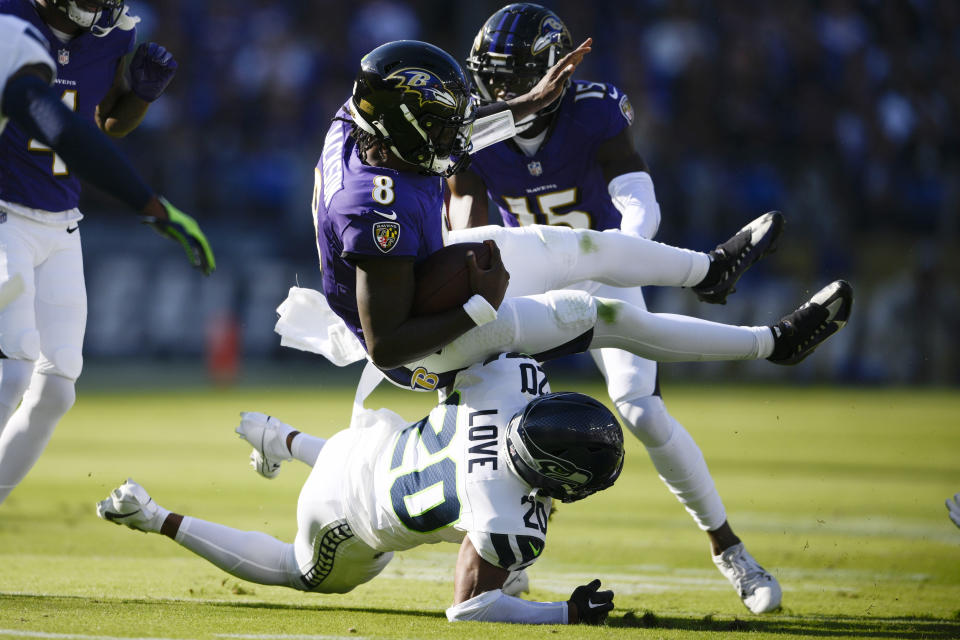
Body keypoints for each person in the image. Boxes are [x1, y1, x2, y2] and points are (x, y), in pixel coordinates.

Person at [446, 3, 779, 613]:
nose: (496, 91)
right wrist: (467, 288)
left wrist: (626, 252)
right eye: (488, 78)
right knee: (491, 402)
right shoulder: (475, 131)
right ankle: (497, 551)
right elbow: (463, 225)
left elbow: (636, 195)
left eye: (510, 76)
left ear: (554, 71)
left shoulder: (592, 109)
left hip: (605, 267)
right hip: (526, 277)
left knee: (640, 409)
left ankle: (728, 548)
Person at [297, 38, 852, 397]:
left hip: (428, 268)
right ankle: (772, 344)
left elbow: (458, 126)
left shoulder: (366, 118)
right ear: (404, 126)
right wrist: (478, 305)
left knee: (582, 244)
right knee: (600, 314)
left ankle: (711, 270)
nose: (456, 136)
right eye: (440, 126)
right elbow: (386, 344)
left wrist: (529, 103)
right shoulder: (372, 210)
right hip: (422, 341)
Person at [98, 353, 623, 625]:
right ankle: (153, 515)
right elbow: (468, 609)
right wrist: (568, 613)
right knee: (296, 572)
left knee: (487, 540)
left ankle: (278, 437)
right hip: (342, 516)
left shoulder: (513, 380)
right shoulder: (505, 520)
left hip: (368, 438)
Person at [0, 3, 215, 505]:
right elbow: (61, 128)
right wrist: (150, 203)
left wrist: (137, 97)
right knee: (12, 368)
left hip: (61, 222)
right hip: (3, 210)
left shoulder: (115, 34)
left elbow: (103, 123)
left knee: (56, 388)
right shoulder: (10, 19)